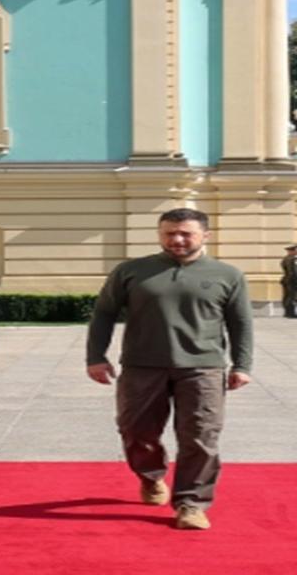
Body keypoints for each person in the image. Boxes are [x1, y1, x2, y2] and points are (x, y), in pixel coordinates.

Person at [86, 208, 253, 531]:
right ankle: (151, 476)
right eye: (168, 233)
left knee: (201, 437)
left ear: (205, 235)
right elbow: (104, 313)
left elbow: (241, 323)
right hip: (141, 365)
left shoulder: (227, 275)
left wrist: (242, 365)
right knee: (136, 431)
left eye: (185, 233)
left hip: (203, 367)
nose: (176, 239)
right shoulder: (132, 271)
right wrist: (95, 356)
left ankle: (191, 503)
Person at [281, 244, 297, 318]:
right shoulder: (292, 259)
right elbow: (292, 271)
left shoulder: (285, 258)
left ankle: (288, 312)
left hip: (287, 280)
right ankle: (290, 313)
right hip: (291, 281)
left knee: (287, 296)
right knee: (291, 296)